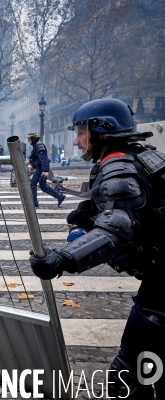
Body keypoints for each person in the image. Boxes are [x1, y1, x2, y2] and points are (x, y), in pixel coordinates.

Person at [29, 98, 164, 399]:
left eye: (81, 132)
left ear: (102, 130)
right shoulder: (140, 156)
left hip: (162, 289)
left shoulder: (119, 163)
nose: (76, 141)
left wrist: (63, 259)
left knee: (127, 375)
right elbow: (143, 212)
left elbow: (117, 228)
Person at [27, 133, 65, 208]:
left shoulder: (39, 145)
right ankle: (59, 196)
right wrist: (33, 166)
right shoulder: (36, 145)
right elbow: (37, 158)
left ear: (33, 139)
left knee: (32, 183)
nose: (28, 141)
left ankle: (34, 202)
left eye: (29, 139)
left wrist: (45, 170)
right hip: (40, 167)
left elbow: (43, 159)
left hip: (41, 168)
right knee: (42, 185)